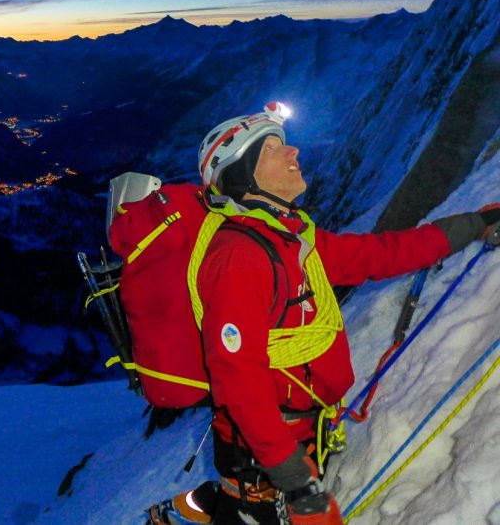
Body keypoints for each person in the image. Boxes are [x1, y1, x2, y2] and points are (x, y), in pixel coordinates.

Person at [160, 102, 500, 525]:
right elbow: (236, 374)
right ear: (241, 176)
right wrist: (289, 471)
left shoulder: (294, 240)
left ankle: (189, 512)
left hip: (295, 438)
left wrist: (472, 224)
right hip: (267, 457)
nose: (293, 153)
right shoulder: (240, 257)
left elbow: (380, 254)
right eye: (272, 148)